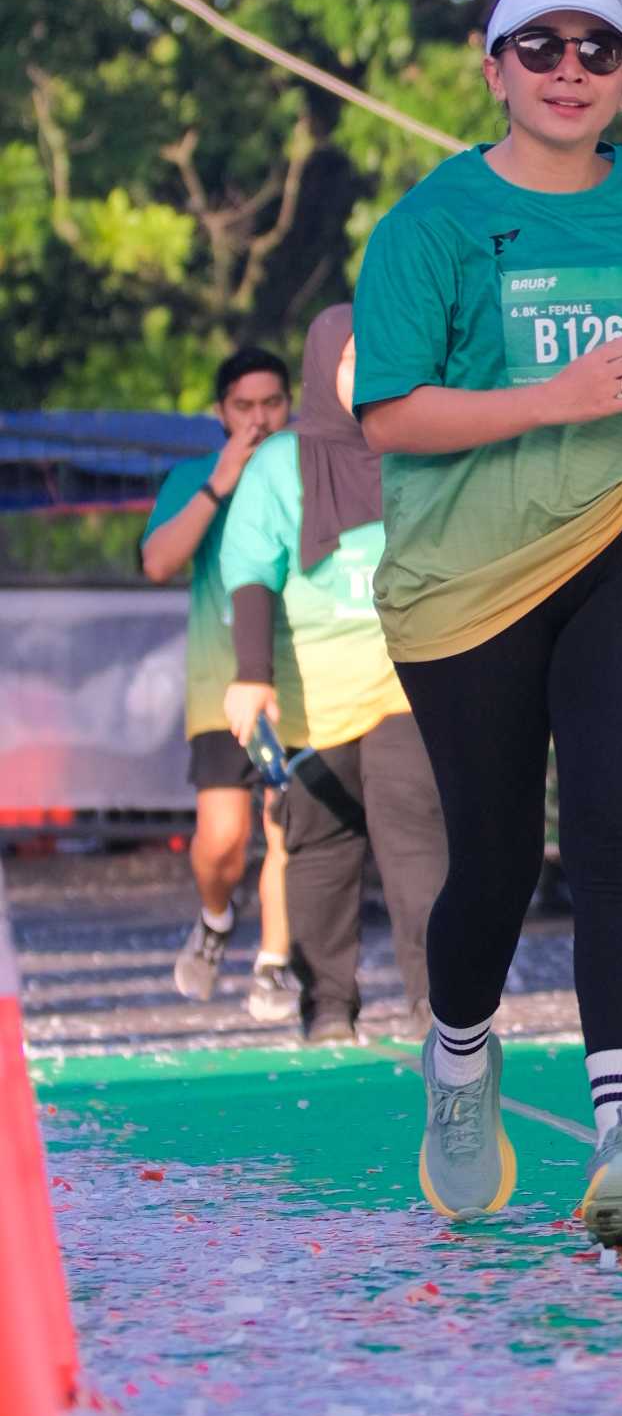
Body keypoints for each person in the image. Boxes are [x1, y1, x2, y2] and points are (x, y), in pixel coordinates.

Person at [353, 0, 622, 1249]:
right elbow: (388, 412)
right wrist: (546, 403)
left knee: (621, 837)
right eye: (541, 47)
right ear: (493, 66)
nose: (570, 71)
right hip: (465, 580)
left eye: (598, 50)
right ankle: (459, 1056)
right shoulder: (430, 224)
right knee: (499, 859)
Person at [220, 308, 447, 1041]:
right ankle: (327, 1006)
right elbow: (249, 571)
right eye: (352, 360)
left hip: (408, 683)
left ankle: (438, 1005)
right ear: (323, 367)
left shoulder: (423, 447)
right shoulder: (277, 465)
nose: (369, 370)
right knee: (317, 847)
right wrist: (251, 676)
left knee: (416, 838)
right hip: (312, 696)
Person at [141, 345, 297, 1022]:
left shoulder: (308, 469)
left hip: (302, 681)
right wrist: (221, 482)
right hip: (221, 685)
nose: (259, 418)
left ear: (291, 404)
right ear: (220, 412)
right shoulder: (193, 476)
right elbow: (158, 563)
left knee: (289, 826)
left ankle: (274, 964)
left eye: (272, 403)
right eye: (244, 406)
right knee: (223, 840)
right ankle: (214, 918)